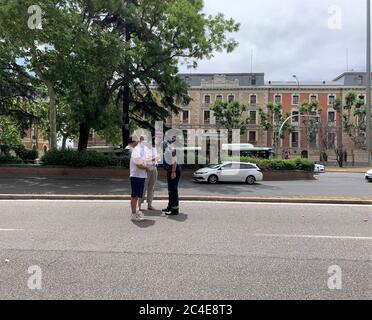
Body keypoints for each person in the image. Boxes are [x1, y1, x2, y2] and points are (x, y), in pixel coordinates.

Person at [128, 135, 151, 222]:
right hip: (136, 176)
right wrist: (147, 168)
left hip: (139, 176)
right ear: (134, 142)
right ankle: (134, 214)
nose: (139, 142)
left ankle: (135, 213)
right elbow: (138, 165)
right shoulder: (135, 151)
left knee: (136, 196)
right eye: (138, 140)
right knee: (134, 196)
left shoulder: (138, 150)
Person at [162, 136, 181, 216]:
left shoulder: (171, 150)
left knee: (173, 190)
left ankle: (175, 209)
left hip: (174, 171)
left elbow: (174, 162)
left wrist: (173, 172)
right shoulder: (168, 150)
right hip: (170, 171)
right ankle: (170, 206)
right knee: (170, 190)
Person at [140, 136, 159, 211]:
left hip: (154, 168)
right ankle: (139, 204)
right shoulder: (143, 149)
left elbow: (157, 158)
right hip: (146, 169)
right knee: (143, 187)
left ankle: (149, 204)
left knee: (152, 187)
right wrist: (152, 159)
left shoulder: (154, 149)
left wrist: (156, 161)